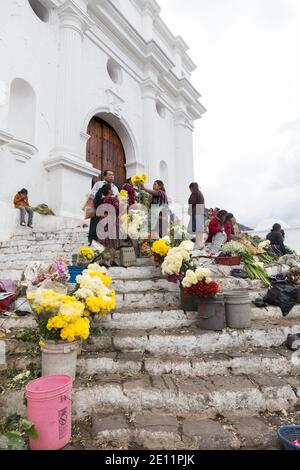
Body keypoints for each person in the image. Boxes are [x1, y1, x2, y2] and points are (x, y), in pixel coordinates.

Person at [187, 182, 205, 249]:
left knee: (198, 229)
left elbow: (192, 202)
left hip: (197, 212)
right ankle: (198, 243)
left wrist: (189, 210)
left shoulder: (195, 193)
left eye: (190, 188)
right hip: (198, 212)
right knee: (198, 229)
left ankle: (199, 244)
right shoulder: (198, 193)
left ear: (192, 188)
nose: (190, 190)